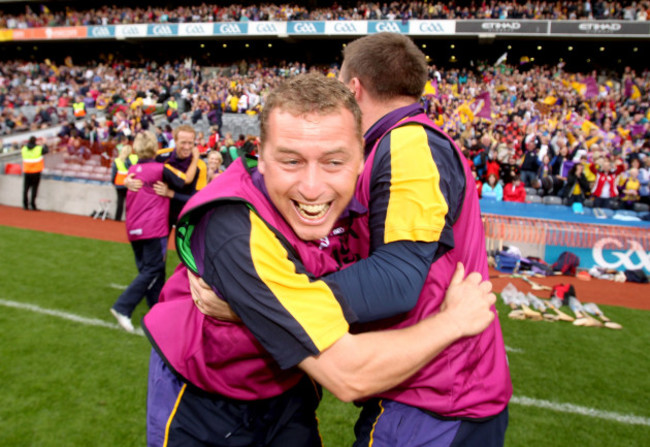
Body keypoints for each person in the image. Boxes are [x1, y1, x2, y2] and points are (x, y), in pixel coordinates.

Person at [143, 74, 497, 447]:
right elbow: (349, 374)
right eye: (291, 160)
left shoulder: (353, 204)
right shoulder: (234, 228)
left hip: (286, 390)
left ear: (362, 156)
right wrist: (453, 322)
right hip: (205, 400)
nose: (313, 187)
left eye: (333, 161)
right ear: (260, 156)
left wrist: (252, 308)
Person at [110, 131, 191, 333]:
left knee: (148, 271)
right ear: (155, 148)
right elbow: (182, 182)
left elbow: (120, 180)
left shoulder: (133, 169)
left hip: (134, 228)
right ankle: (123, 307)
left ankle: (156, 311)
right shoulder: (161, 169)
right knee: (153, 269)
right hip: (153, 228)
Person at [126, 124, 206, 230]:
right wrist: (127, 181)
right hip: (160, 213)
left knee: (185, 247)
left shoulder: (200, 165)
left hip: (186, 216)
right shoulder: (159, 155)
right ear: (175, 141)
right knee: (157, 246)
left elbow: (197, 199)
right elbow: (139, 170)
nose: (187, 147)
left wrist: (170, 194)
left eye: (190, 143)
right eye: (183, 142)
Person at [110, 144, 138, 221]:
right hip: (130, 183)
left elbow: (114, 173)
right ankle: (128, 218)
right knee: (129, 202)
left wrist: (113, 182)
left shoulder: (117, 160)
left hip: (119, 182)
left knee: (120, 201)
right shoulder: (135, 158)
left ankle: (117, 218)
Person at [21, 136, 48, 211]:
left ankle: (25, 205)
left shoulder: (24, 149)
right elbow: (46, 150)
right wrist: (44, 143)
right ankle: (33, 205)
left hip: (27, 171)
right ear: (35, 141)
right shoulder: (38, 148)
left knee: (26, 189)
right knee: (34, 189)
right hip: (36, 172)